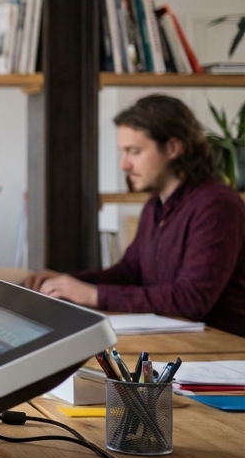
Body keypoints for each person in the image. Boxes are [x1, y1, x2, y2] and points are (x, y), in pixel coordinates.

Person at [26, 94, 245, 337]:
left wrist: (92, 294)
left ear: (173, 148)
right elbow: (130, 273)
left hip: (221, 352)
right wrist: (66, 283)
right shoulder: (156, 204)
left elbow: (191, 300)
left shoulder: (217, 206)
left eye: (134, 151)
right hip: (176, 343)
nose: (124, 165)